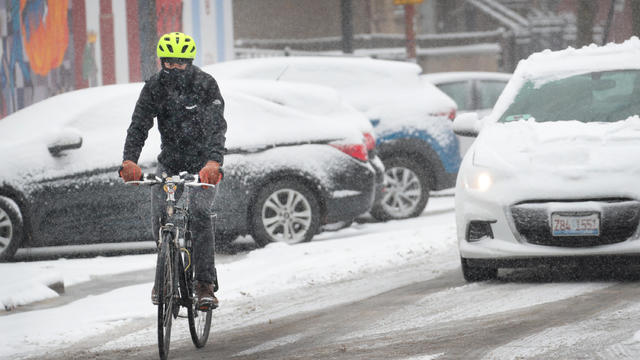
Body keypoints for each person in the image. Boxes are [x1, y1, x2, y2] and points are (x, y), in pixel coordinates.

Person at [119, 32, 226, 310]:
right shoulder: (155, 87)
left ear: (189, 62)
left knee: (200, 214)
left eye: (180, 63)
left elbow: (217, 127)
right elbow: (139, 124)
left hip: (204, 165)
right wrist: (129, 160)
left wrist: (213, 162)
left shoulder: (205, 84)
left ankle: (204, 285)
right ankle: (165, 273)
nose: (175, 67)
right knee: (160, 214)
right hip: (171, 162)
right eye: (169, 63)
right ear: (162, 61)